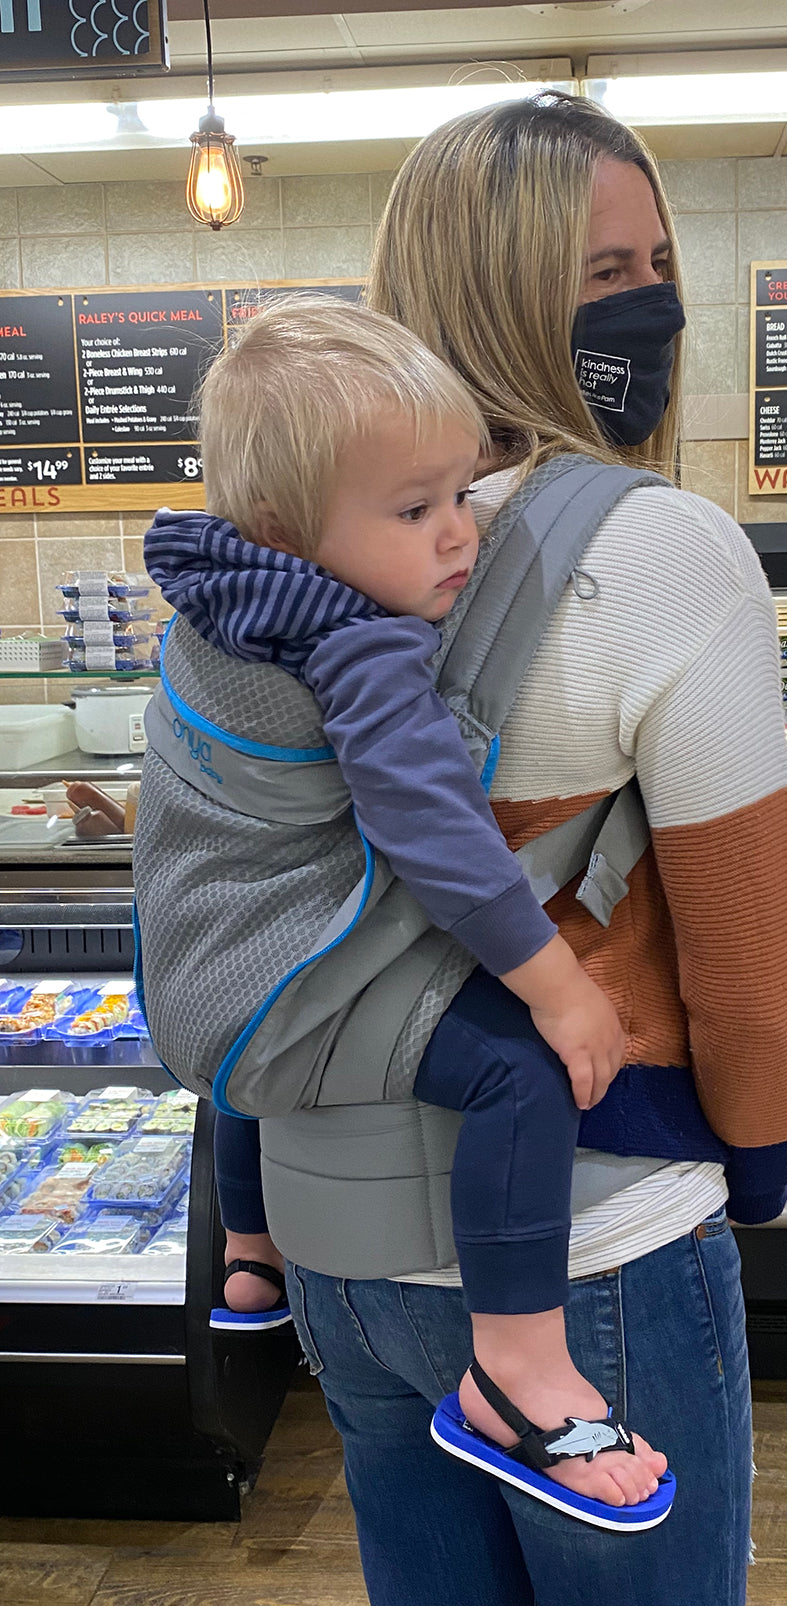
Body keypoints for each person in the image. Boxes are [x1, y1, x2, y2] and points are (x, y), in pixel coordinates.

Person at [251, 89, 787, 1606]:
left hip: (342, 1255)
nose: (648, 304)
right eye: (599, 276)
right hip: (594, 1251)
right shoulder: (658, 550)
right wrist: (752, 1172)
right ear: (491, 295)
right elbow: (756, 982)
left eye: (652, 264)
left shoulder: (300, 549)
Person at [141, 295, 669, 1520]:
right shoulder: (362, 650)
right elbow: (432, 833)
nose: (458, 536)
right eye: (413, 509)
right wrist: (555, 982)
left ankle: (252, 1250)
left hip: (196, 967)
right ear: (287, 528)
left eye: (460, 495)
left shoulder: (212, 581)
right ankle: (516, 1367)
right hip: (272, 982)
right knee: (519, 1073)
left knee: (241, 1067)